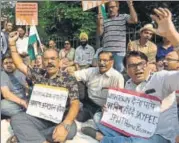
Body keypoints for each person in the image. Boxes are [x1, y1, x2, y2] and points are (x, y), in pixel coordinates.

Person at [81, 8, 179, 143]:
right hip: (135, 129)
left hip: (161, 135)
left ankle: (105, 139)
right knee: (99, 117)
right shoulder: (128, 84)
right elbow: (128, 111)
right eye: (132, 66)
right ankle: (118, 138)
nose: (138, 68)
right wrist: (112, 111)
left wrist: (172, 34)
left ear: (148, 64)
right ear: (126, 69)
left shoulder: (162, 78)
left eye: (141, 64)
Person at [8, 32, 80, 143]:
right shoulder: (38, 74)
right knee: (16, 119)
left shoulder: (69, 79)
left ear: (59, 61)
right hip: (38, 118)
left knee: (71, 130)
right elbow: (19, 65)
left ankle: (24, 137)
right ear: (43, 61)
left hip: (58, 119)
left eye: (53, 58)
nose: (49, 62)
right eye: (46, 59)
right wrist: (12, 44)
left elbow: (75, 103)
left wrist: (65, 124)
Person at [74, 51, 124, 122]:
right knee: (77, 117)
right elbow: (74, 75)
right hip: (88, 104)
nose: (101, 63)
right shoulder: (92, 71)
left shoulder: (117, 77)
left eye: (105, 60)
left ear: (111, 62)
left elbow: (120, 100)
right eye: (100, 60)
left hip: (104, 109)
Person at [97, 0, 138, 72]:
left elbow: (134, 20)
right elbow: (99, 33)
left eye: (112, 7)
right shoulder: (104, 18)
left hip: (119, 52)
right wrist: (99, 24)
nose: (110, 9)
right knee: (106, 72)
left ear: (117, 7)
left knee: (120, 72)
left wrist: (130, 5)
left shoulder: (123, 16)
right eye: (109, 7)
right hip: (107, 52)